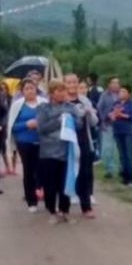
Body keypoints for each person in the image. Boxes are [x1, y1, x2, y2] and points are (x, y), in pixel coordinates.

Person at [36, 80, 80, 224]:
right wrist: (58, 121)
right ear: (51, 93)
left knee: (65, 182)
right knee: (50, 184)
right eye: (58, 91)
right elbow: (41, 129)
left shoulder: (71, 108)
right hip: (48, 152)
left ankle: (65, 210)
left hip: (66, 151)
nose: (61, 94)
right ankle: (52, 210)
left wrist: (73, 119)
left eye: (63, 91)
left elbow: (78, 125)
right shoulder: (44, 108)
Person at [7, 78, 47, 212]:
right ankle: (31, 200)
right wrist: (26, 125)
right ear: (22, 91)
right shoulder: (18, 105)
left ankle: (42, 191)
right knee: (28, 170)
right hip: (24, 142)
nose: (30, 91)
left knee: (42, 170)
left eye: (32, 88)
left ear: (36, 89)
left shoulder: (44, 103)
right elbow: (12, 127)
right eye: (27, 89)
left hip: (42, 142)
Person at [65, 73, 98, 218]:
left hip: (84, 140)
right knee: (66, 173)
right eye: (69, 82)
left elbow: (94, 122)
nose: (72, 85)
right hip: (66, 142)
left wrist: (89, 113)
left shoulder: (84, 100)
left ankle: (86, 207)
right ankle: (64, 207)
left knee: (85, 173)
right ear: (64, 84)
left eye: (74, 82)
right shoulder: (61, 100)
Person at [111, 85, 132, 186]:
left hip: (128, 132)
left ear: (128, 94)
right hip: (117, 131)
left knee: (129, 154)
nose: (121, 93)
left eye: (123, 91)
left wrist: (122, 115)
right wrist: (112, 115)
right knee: (122, 155)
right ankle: (124, 176)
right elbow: (110, 114)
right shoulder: (116, 103)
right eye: (120, 91)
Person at [96, 77, 121, 178]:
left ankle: (121, 168)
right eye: (113, 83)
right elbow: (99, 107)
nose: (115, 85)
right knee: (107, 148)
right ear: (109, 84)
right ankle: (109, 169)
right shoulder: (104, 95)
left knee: (120, 148)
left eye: (117, 83)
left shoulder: (122, 94)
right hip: (108, 125)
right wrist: (104, 118)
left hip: (120, 125)